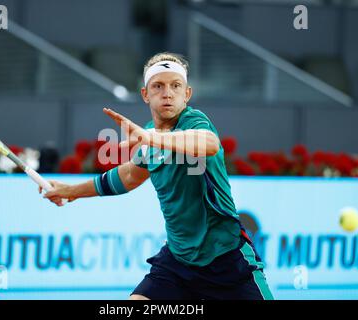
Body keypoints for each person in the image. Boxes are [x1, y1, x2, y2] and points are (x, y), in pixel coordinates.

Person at [42, 52, 274, 300]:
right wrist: (71, 191)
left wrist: (150, 138)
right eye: (158, 86)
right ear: (145, 94)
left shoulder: (194, 122)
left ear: (187, 94)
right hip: (178, 263)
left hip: (227, 258)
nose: (167, 93)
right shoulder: (149, 136)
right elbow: (129, 175)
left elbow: (209, 144)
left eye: (176, 86)